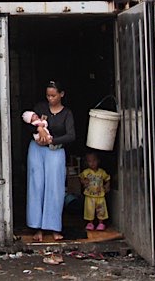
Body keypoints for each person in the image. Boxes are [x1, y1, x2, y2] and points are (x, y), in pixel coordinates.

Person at [26, 81, 75, 242]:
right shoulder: (40, 108)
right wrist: (39, 128)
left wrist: (52, 140)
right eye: (48, 95)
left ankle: (54, 227)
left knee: (55, 188)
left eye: (53, 95)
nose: (50, 98)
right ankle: (37, 228)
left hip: (55, 150)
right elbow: (28, 120)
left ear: (61, 94)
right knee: (36, 186)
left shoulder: (67, 113)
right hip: (36, 150)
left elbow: (71, 135)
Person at [79, 152, 110, 231]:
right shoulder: (86, 172)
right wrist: (83, 182)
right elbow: (80, 177)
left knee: (101, 209)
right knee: (89, 209)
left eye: (94, 160)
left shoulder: (102, 172)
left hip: (100, 195)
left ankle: (101, 223)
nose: (92, 163)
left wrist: (107, 186)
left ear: (98, 161)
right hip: (89, 195)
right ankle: (90, 223)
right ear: (87, 163)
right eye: (90, 161)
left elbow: (107, 179)